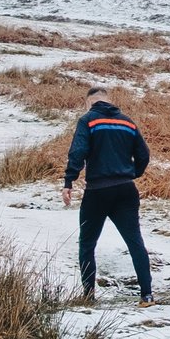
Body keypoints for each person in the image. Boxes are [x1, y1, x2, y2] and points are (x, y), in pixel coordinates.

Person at [64, 85, 154, 306]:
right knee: (135, 242)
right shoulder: (127, 121)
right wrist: (133, 173)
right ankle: (147, 295)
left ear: (89, 103)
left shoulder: (88, 121)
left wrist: (69, 181)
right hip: (126, 189)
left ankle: (88, 296)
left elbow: (78, 151)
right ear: (108, 100)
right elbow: (144, 154)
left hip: (97, 190)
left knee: (87, 243)